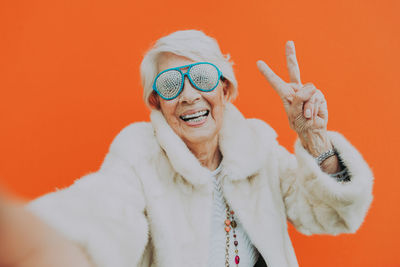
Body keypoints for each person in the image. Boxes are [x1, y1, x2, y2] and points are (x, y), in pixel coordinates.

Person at [1, 30, 373, 267]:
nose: (189, 95)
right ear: (156, 102)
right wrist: (37, 239)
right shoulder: (138, 157)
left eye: (203, 77)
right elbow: (105, 212)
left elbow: (330, 215)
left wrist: (316, 140)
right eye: (170, 84)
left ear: (225, 91)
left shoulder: (258, 149)